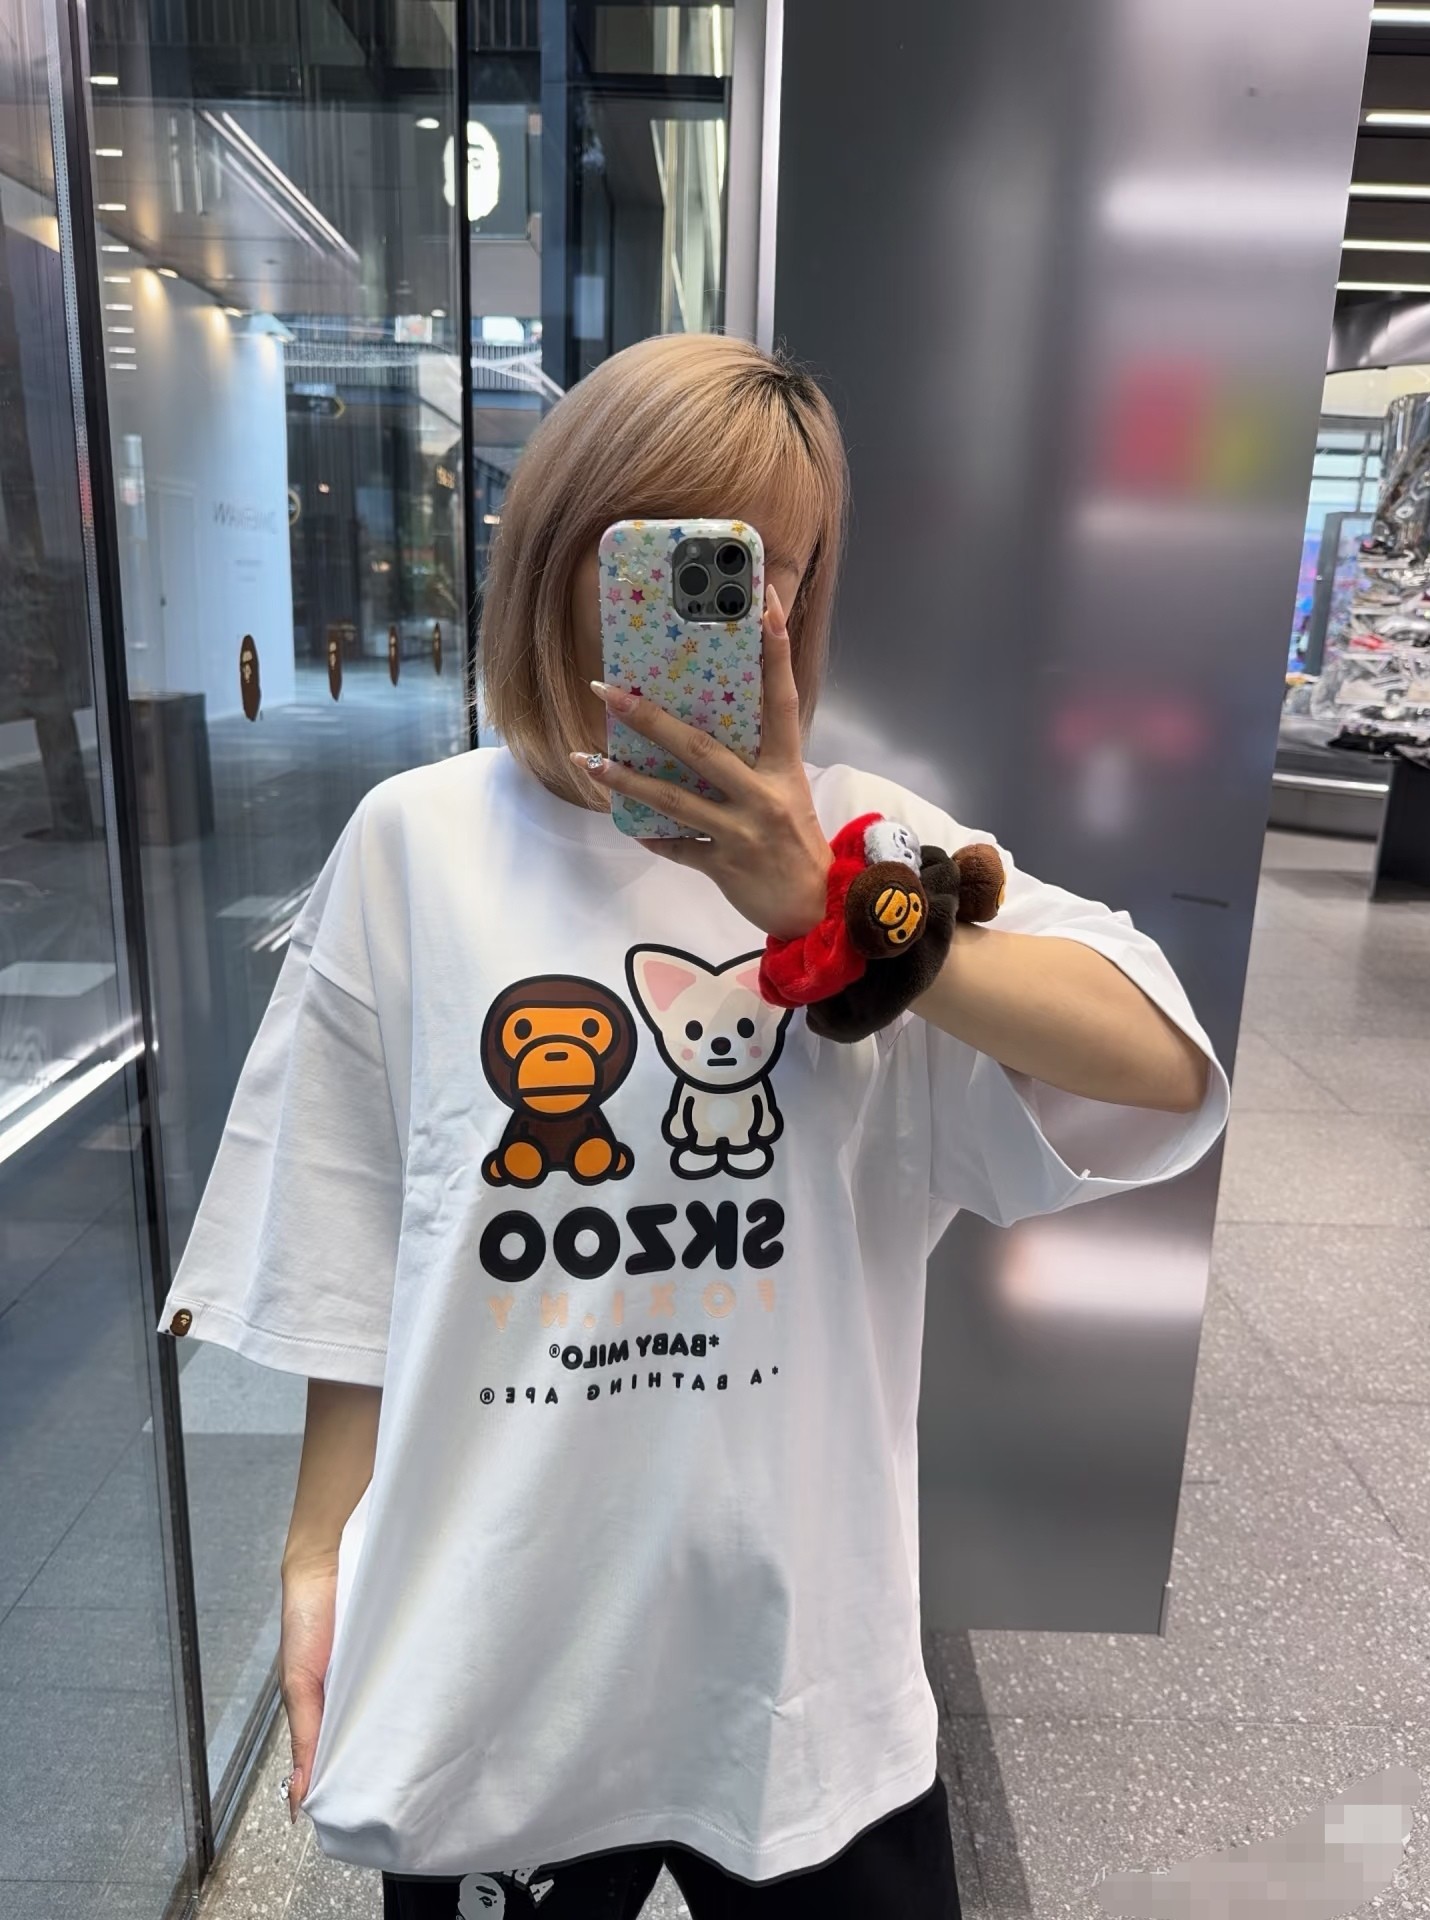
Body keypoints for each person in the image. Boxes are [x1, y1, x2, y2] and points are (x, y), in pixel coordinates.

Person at [155, 331, 1230, 1920]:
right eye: (668, 550)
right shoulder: (413, 850)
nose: (739, 606)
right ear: (561, 555)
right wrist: (321, 1554)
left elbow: (1164, 1064)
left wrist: (849, 921)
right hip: (499, 1663)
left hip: (798, 1668)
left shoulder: (876, 847)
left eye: (767, 567)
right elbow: (353, 1251)